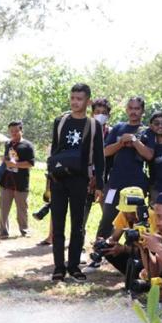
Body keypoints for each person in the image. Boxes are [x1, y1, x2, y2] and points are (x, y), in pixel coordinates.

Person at [49, 83, 105, 282]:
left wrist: (99, 185)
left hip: (80, 180)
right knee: (58, 225)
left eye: (79, 99)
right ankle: (58, 267)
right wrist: (50, 179)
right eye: (73, 98)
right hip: (58, 180)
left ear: (88, 101)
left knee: (77, 225)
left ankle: (73, 266)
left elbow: (99, 156)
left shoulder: (94, 125)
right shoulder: (60, 121)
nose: (75, 102)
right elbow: (54, 151)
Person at [95, 96, 155, 239]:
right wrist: (121, 143)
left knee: (134, 221)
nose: (133, 112)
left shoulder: (147, 132)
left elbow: (150, 155)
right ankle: (100, 252)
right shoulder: (118, 128)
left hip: (136, 185)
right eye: (131, 108)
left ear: (142, 111)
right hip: (115, 183)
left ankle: (131, 254)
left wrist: (134, 141)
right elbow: (104, 151)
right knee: (107, 218)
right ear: (126, 109)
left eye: (137, 108)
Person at [87, 186, 158, 275]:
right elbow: (114, 237)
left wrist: (124, 249)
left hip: (151, 256)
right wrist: (104, 243)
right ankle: (131, 274)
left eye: (132, 212)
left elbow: (153, 251)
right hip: (135, 251)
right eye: (125, 211)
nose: (128, 215)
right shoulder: (124, 214)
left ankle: (140, 275)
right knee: (108, 249)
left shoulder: (152, 217)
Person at [0, 121, 35, 239]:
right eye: (11, 131)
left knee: (22, 209)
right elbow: (8, 158)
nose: (13, 133)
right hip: (6, 181)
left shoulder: (28, 145)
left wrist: (15, 165)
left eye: (16, 131)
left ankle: (24, 230)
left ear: (21, 131)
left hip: (21, 183)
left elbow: (30, 163)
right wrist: (4, 160)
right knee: (3, 208)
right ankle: (3, 231)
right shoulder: (8, 144)